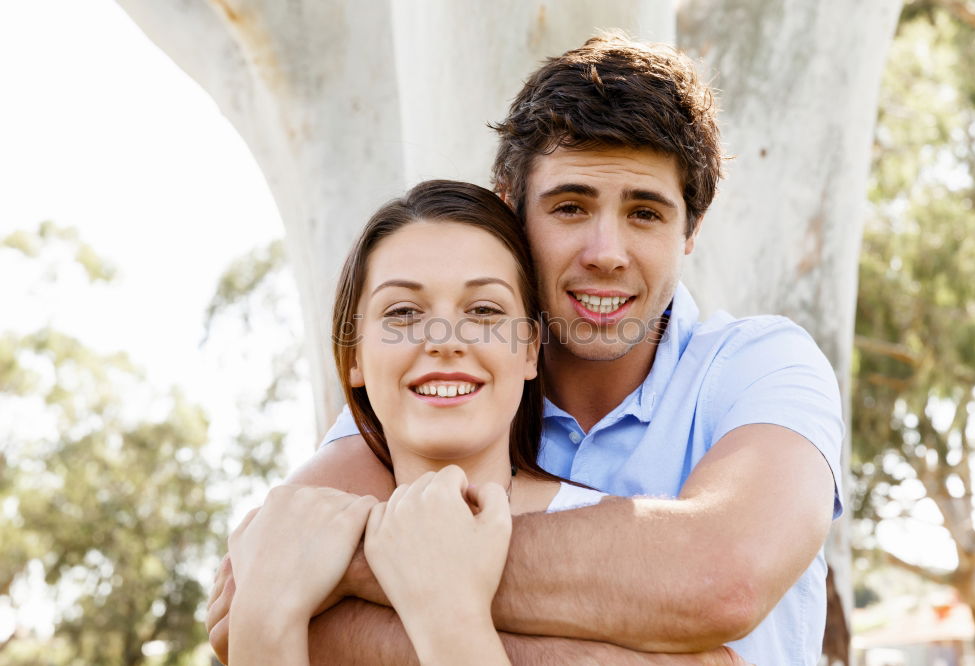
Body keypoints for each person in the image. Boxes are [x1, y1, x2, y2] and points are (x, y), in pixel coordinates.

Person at [208, 33, 843, 664]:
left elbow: (722, 580)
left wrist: (370, 564)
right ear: (511, 210)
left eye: (645, 213)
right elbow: (248, 602)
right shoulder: (439, 385)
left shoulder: (762, 365)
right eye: (570, 207)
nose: (606, 252)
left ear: (690, 230)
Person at [224, 180, 741, 664]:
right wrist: (264, 618)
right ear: (354, 355)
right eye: (402, 312)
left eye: (486, 310)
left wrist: (447, 616)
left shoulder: (617, 544)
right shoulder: (288, 544)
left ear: (531, 351)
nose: (445, 340)